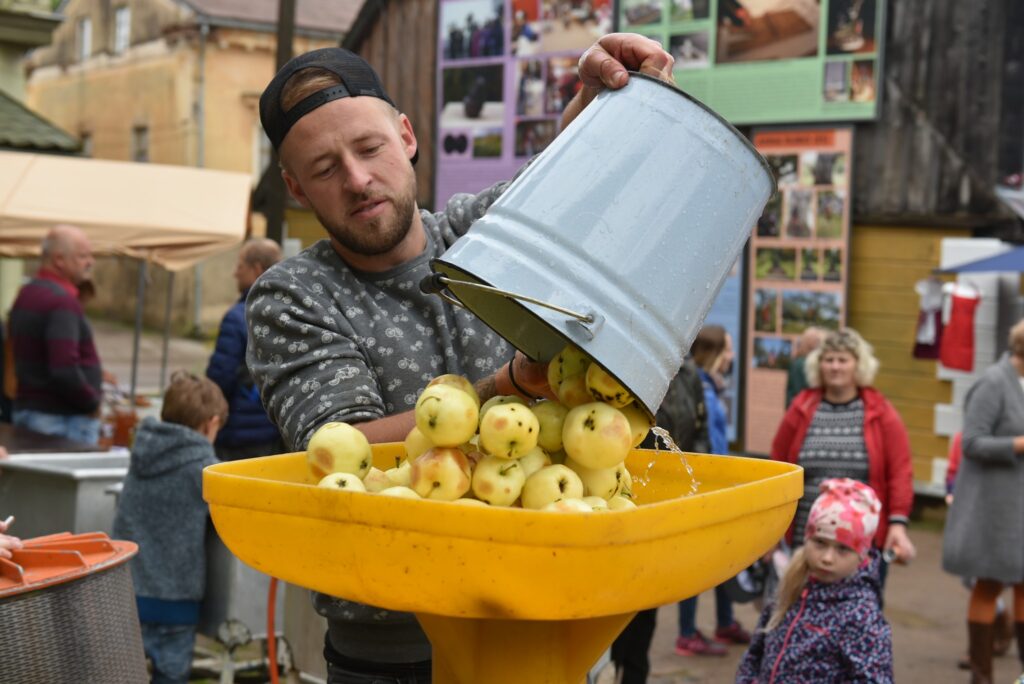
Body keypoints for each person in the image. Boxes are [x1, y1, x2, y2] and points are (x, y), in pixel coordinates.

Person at [247, 35, 674, 683]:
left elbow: (560, 188)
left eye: (369, 149)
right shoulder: (292, 297)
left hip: (548, 619)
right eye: (326, 168)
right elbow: (342, 449)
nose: (358, 180)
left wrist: (603, 97)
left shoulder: (478, 236)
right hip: (394, 653)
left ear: (407, 136)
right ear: (295, 187)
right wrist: (507, 387)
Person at [771, 327, 915, 591]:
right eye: (828, 359)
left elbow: (900, 470)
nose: (835, 367)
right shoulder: (801, 408)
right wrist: (771, 527)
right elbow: (778, 466)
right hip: (808, 541)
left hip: (862, 545)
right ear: (818, 365)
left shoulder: (879, 412)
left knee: (857, 620)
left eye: (843, 359)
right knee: (799, 612)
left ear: (858, 365)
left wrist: (898, 522)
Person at [112, 372, 226, 684]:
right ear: (212, 423)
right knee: (171, 676)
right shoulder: (202, 469)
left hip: (125, 595)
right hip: (175, 603)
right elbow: (224, 520)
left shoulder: (141, 455)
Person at [736, 478, 894, 683]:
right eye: (820, 542)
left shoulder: (861, 616)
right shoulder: (790, 587)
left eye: (843, 548)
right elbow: (756, 651)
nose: (827, 558)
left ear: (862, 556)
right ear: (807, 539)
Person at [611, 359, 709, 683]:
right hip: (620, 495)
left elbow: (699, 431)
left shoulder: (689, 373)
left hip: (666, 503)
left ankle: (635, 673)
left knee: (649, 600)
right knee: (617, 600)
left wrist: (693, 488)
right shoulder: (627, 363)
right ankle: (610, 668)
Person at [942, 318, 1024, 684]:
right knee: (989, 585)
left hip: (1019, 509)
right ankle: (982, 676)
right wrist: (1020, 444)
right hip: (992, 510)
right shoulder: (993, 382)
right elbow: (972, 442)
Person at [674, 325, 749, 656]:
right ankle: (687, 633)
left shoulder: (710, 387)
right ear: (715, 352)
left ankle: (724, 621)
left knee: (722, 557)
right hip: (705, 487)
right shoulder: (700, 389)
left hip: (717, 485)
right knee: (696, 562)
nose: (732, 357)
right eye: (728, 350)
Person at [9, 224, 103, 445]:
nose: (90, 262)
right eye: (82, 256)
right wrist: (91, 402)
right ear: (59, 260)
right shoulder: (62, 301)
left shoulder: (27, 293)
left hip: (34, 412)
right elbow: (63, 368)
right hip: (60, 420)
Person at [205, 238, 284, 460]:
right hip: (277, 432)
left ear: (256, 268)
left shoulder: (239, 317)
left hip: (238, 435)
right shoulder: (291, 313)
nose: (235, 273)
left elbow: (220, 378)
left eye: (240, 266)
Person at [785, 326, 824, 406]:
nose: (819, 342)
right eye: (817, 340)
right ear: (809, 342)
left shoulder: (804, 361)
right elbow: (799, 393)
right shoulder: (801, 364)